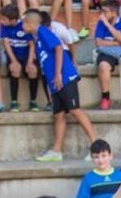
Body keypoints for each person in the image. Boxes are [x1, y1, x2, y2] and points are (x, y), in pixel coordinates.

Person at [27, 9, 97, 163]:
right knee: (59, 114)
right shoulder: (37, 39)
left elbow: (59, 48)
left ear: (31, 23)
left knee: (75, 110)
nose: (22, 25)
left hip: (64, 77)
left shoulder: (43, 31)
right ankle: (56, 151)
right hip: (55, 82)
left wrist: (58, 73)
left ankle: (96, 147)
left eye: (25, 22)